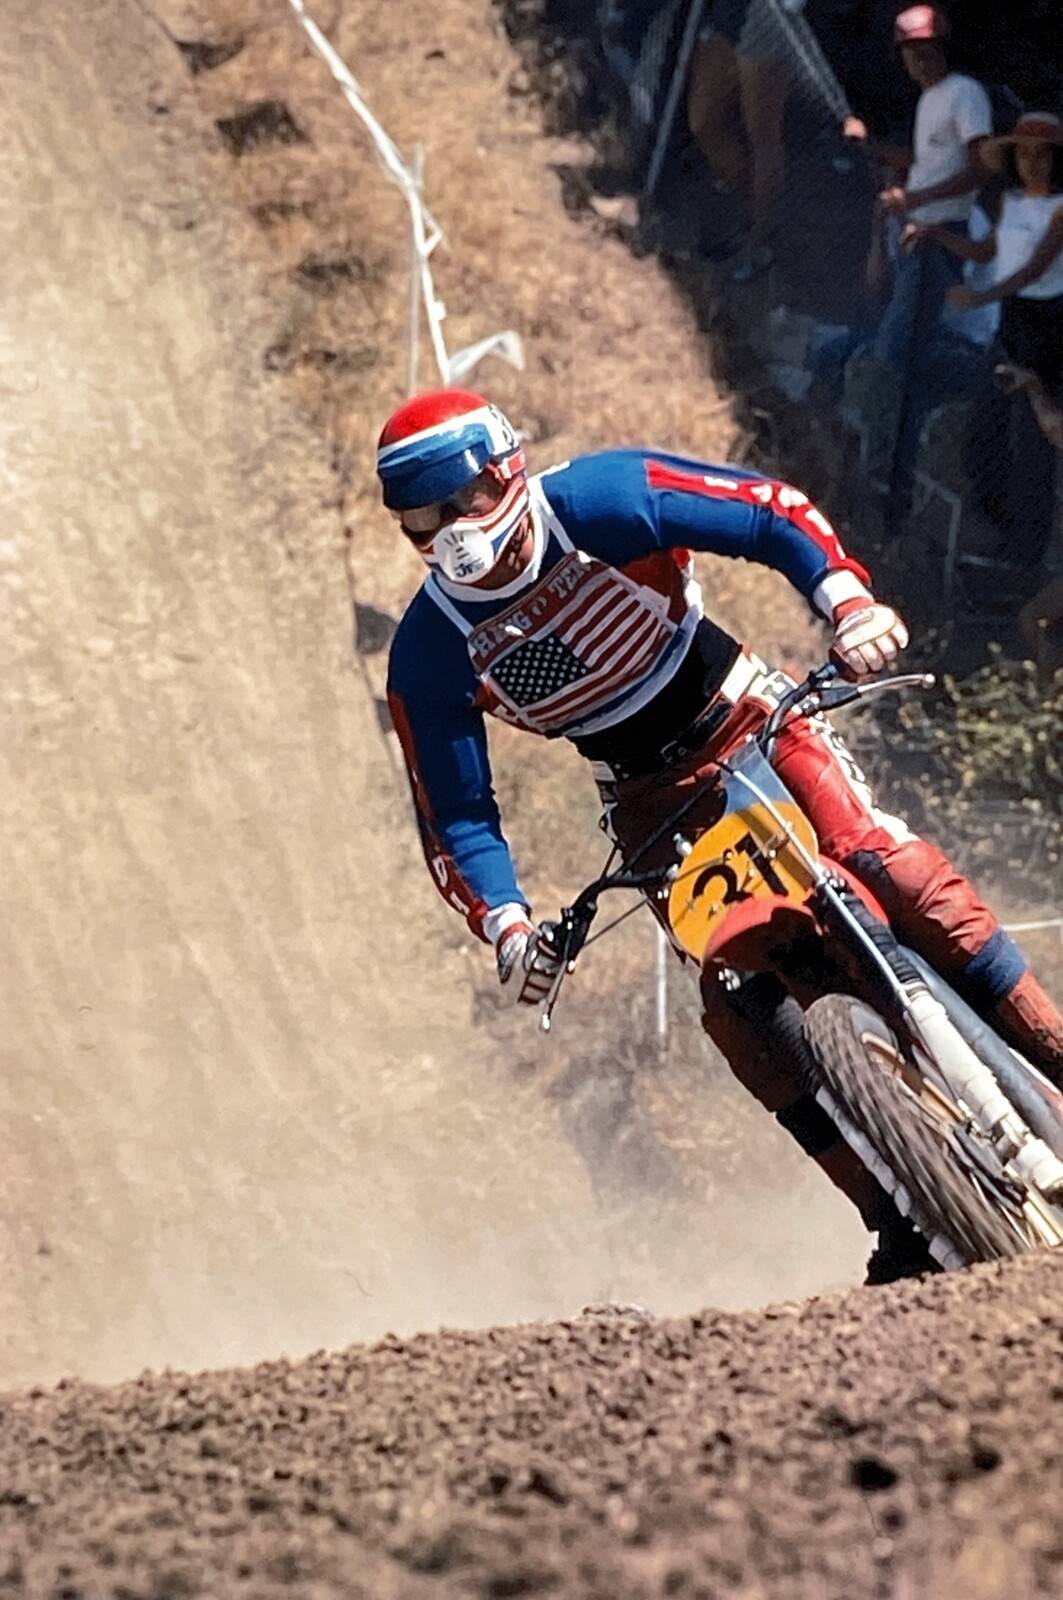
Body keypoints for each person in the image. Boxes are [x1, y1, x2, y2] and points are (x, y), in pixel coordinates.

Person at [379, 387, 1063, 1276]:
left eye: (457, 503)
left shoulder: (598, 501)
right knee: (737, 1004)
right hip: (648, 804)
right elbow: (453, 812)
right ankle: (887, 1217)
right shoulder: (428, 651)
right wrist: (506, 924)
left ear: (504, 474)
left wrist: (844, 598)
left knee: (882, 864)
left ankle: (1049, 1047)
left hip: (745, 715)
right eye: (419, 522)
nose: (447, 534)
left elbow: (763, 511)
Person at [866, 4, 992, 524]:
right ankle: (889, 485)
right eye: (908, 54)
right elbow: (928, 166)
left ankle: (888, 491)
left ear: (942, 47)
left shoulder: (964, 93)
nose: (917, 62)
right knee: (897, 353)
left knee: (897, 354)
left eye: (924, 51)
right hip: (916, 234)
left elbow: (979, 169)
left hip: (940, 240)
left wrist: (914, 205)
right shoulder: (928, 102)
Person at [942, 112, 1063, 584]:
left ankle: (1023, 561)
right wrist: (937, 236)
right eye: (1025, 155)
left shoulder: (1060, 209)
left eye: (1042, 156)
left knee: (1036, 441)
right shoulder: (1011, 202)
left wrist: (981, 296)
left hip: (1050, 328)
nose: (1033, 164)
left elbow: (1036, 268)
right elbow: (988, 251)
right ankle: (992, 528)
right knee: (986, 419)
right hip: (1012, 324)